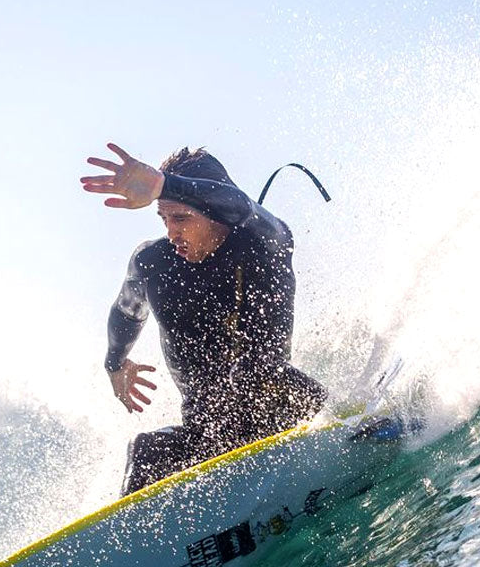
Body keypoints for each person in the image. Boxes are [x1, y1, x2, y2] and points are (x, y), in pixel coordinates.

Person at [81, 142, 328, 494]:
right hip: (210, 434)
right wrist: (115, 363)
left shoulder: (267, 241)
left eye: (181, 218)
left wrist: (164, 185)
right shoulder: (153, 263)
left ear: (216, 211)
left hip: (282, 410)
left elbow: (241, 204)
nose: (172, 232)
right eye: (164, 219)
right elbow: (127, 310)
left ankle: (344, 428)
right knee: (146, 451)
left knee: (250, 374)